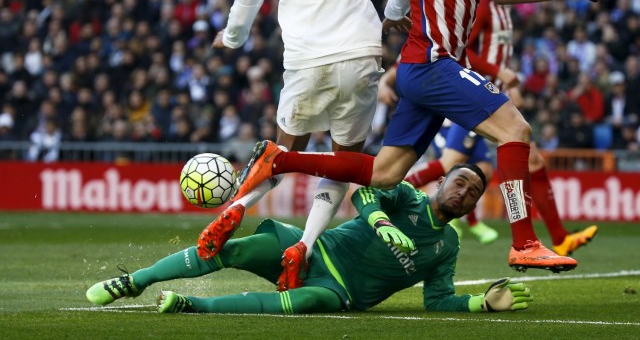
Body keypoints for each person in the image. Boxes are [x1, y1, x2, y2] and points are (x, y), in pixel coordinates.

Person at [234, 0, 604, 273]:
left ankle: (280, 160)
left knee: (385, 174)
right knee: (516, 131)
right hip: (431, 63)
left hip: (428, 71)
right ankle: (525, 242)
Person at [197, 0, 410, 292]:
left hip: (305, 60)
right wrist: (393, 14)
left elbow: (246, 6)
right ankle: (305, 246)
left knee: (280, 150)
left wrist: (230, 40)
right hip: (359, 54)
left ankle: (233, 210)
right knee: (343, 161)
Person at [86, 164, 532, 315]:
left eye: (473, 193)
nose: (464, 193)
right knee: (237, 249)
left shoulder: (447, 247)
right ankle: (134, 282)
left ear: (473, 207)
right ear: (441, 183)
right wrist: (380, 221)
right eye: (459, 183)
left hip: (340, 292)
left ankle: (192, 306)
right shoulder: (407, 197)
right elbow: (366, 192)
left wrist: (480, 304)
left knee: (303, 305)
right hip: (315, 246)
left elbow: (437, 301)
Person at [387, 0, 598, 254]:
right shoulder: (482, 3)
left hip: (493, 95)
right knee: (450, 163)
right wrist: (499, 73)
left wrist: (505, 84)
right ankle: (392, 191)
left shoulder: (502, 7)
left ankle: (560, 237)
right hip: (473, 96)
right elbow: (462, 51)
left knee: (527, 162)